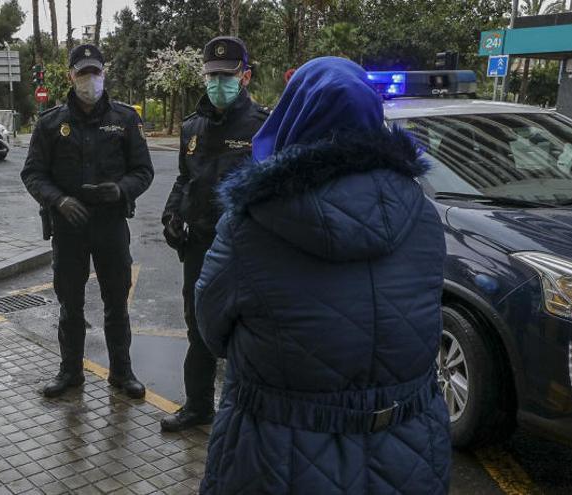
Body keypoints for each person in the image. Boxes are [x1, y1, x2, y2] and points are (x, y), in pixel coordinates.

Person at [194, 57, 451, 493]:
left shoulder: (250, 223)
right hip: (407, 451)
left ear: (293, 117)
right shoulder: (423, 214)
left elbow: (211, 329)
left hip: (278, 454)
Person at [22, 44, 154, 400]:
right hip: (69, 227)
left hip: (110, 224)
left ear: (103, 74)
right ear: (70, 76)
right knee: (70, 303)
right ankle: (70, 372)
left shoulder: (126, 120)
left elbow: (144, 170)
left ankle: (122, 373)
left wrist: (121, 190)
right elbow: (33, 174)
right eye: (82, 73)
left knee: (116, 301)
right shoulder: (51, 123)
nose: (89, 80)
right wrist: (58, 200)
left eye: (95, 72)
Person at [160, 36, 268, 432]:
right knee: (198, 326)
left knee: (247, 332)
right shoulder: (193, 126)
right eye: (211, 75)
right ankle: (198, 406)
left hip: (244, 250)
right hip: (199, 247)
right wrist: (171, 215)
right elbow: (184, 180)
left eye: (226, 75)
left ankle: (247, 416)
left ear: (245, 76)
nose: (217, 82)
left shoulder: (263, 127)